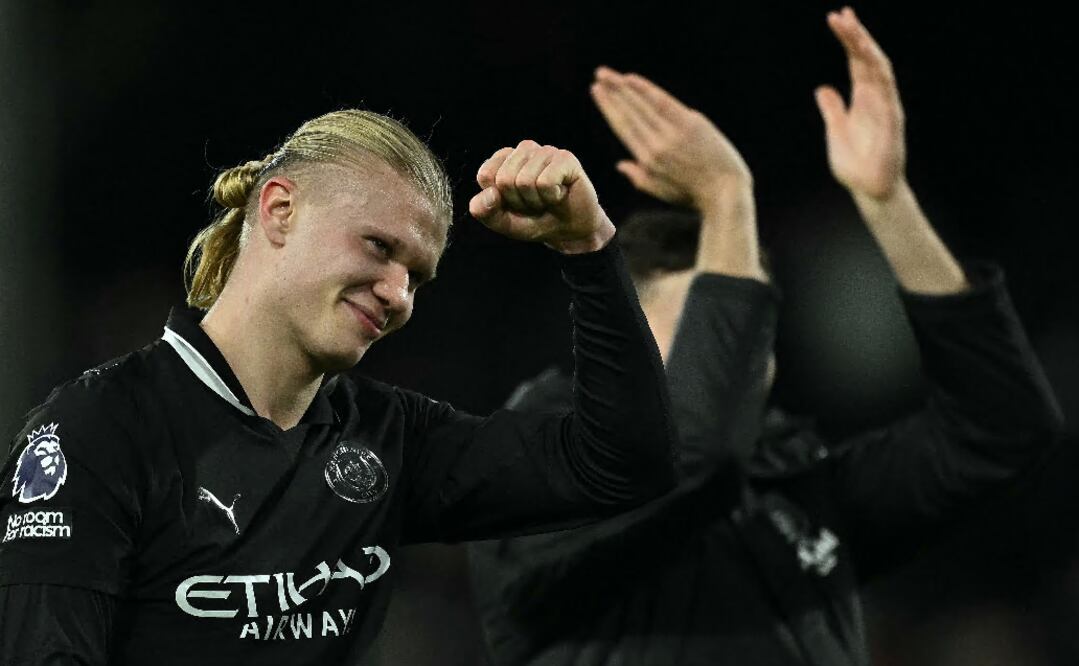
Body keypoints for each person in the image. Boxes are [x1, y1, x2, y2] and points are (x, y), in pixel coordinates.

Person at [468, 7, 1065, 665]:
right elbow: (692, 454)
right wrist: (726, 193)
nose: (740, 346)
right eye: (707, 322)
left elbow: (1002, 425)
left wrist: (886, 203)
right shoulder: (538, 466)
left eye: (756, 330)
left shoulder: (796, 489)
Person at [0, 110, 681, 665]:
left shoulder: (389, 439)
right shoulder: (99, 429)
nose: (398, 295)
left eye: (417, 277)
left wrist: (588, 247)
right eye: (379, 248)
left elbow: (624, 464)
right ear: (280, 209)